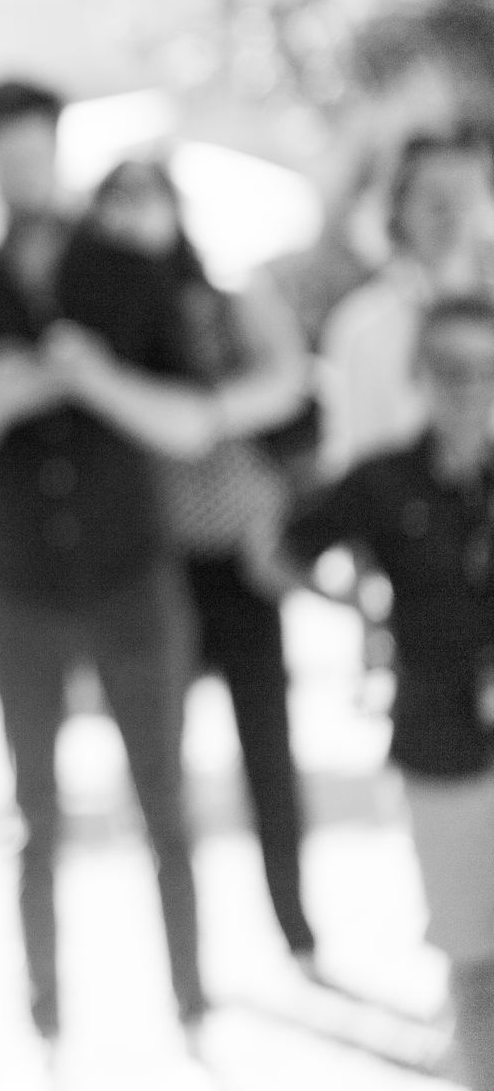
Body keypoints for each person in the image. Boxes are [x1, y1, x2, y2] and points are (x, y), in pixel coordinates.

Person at [0, 80, 211, 1042]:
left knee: (165, 806)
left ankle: (192, 1006)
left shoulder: (131, 272)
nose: (23, 173)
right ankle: (46, 1020)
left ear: (57, 150)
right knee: (32, 817)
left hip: (133, 577)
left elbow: (193, 422)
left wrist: (99, 379)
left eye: (34, 153)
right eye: (7, 156)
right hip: (23, 590)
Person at [80, 159, 321, 966]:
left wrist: (208, 412)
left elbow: (286, 384)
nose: (133, 220)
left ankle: (293, 923)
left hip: (246, 558)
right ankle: (188, 954)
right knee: (164, 770)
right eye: (118, 205)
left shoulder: (227, 299)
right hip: (163, 565)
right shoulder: (108, 317)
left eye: (145, 201)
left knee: (268, 755)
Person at [286, 295, 494, 1091]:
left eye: (484, 370)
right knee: (473, 957)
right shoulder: (384, 481)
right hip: (440, 740)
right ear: (421, 376)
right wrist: (362, 607)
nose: (468, 388)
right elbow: (280, 549)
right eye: (450, 369)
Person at [320, 126, 494, 474]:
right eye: (435, 199)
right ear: (399, 210)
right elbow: (353, 456)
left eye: (467, 196)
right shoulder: (363, 324)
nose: (453, 214)